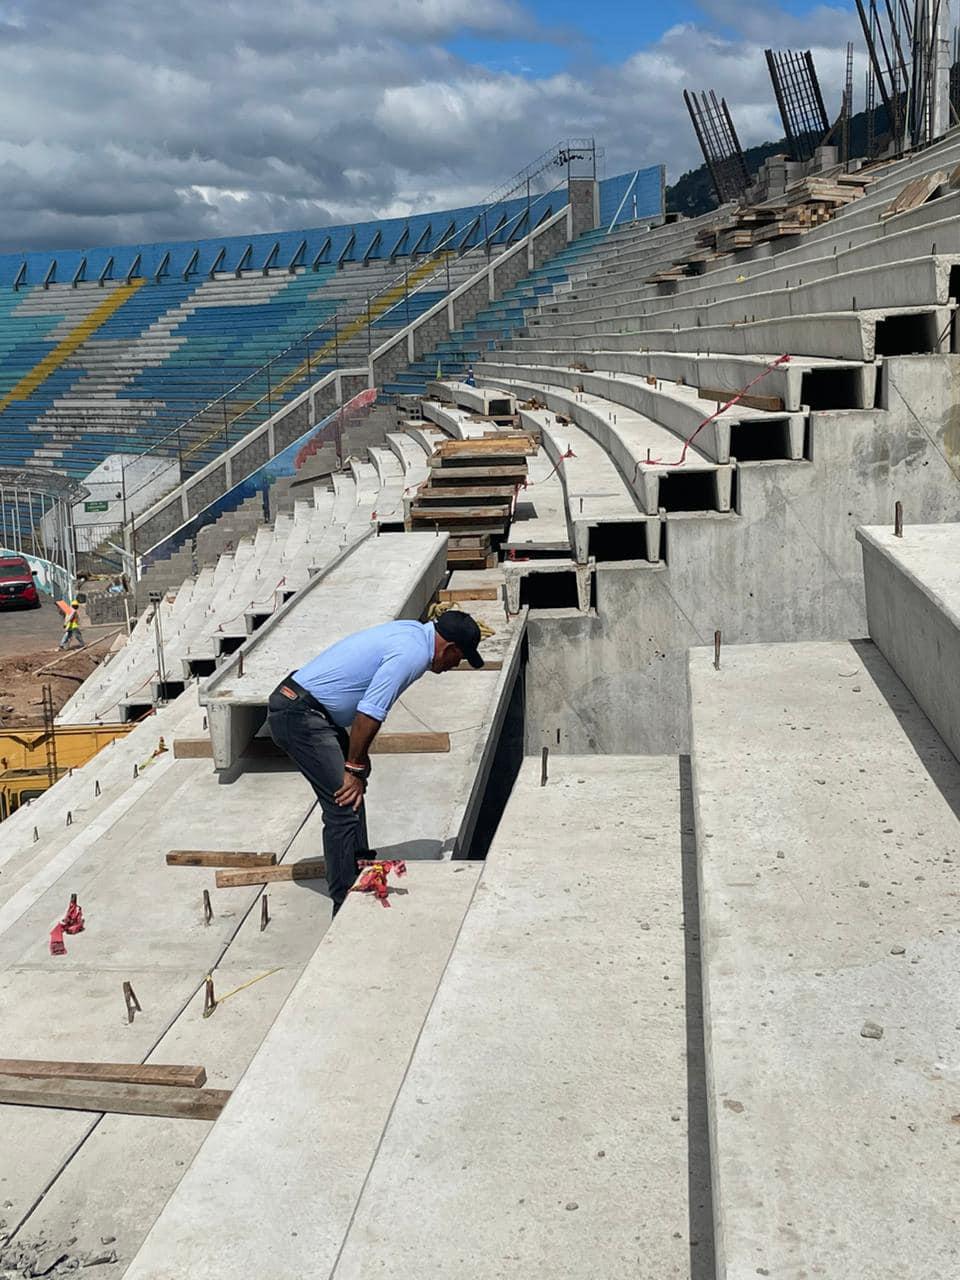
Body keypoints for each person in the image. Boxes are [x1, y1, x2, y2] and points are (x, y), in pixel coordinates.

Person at [266, 610, 484, 915]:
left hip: (310, 710)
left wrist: (358, 765)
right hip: (300, 715)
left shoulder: (412, 632)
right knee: (342, 802)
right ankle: (345, 904)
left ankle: (361, 864)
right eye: (458, 659)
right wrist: (353, 766)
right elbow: (369, 712)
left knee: (354, 786)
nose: (453, 666)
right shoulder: (413, 654)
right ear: (449, 648)